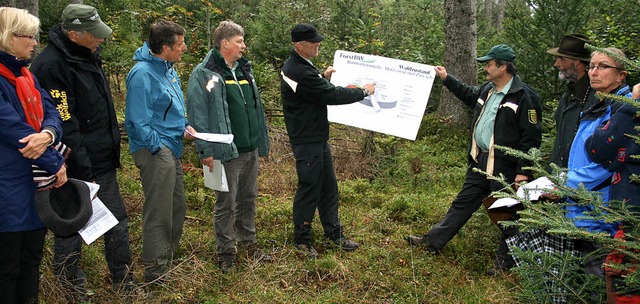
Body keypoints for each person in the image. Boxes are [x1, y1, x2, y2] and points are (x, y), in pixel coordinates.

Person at [30, 4, 136, 298]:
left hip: (102, 162)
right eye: (95, 34)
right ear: (75, 34)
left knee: (116, 223)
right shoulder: (52, 66)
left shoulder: (90, 56)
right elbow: (66, 122)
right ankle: (69, 287)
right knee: (72, 228)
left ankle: (124, 281)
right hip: (73, 167)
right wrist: (83, 169)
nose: (101, 39)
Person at [407, 44, 543, 274]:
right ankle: (432, 243)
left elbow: (531, 138)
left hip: (505, 168)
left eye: (489, 64)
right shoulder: (487, 90)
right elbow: (468, 95)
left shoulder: (525, 97)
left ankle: (507, 263)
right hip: (480, 162)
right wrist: (446, 78)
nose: (485, 69)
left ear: (503, 66)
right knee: (463, 203)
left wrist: (523, 171)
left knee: (506, 212)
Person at [280, 23, 376, 258]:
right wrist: (363, 92)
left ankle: (334, 234)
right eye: (313, 42)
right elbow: (330, 94)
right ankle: (302, 241)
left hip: (316, 137)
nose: (318, 44)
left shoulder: (302, 67)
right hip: (307, 139)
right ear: (300, 45)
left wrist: (322, 76)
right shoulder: (298, 70)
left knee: (328, 188)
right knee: (309, 188)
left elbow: (310, 91)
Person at [186, 20, 272, 273]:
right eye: (239, 41)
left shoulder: (245, 70)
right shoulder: (205, 74)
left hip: (250, 149)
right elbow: (198, 113)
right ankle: (225, 251)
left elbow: (256, 109)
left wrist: (260, 143)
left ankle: (248, 242)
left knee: (249, 198)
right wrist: (205, 150)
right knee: (226, 203)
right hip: (225, 152)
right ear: (225, 43)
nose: (243, 46)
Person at [0, 7, 67, 303]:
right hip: (8, 189)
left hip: (34, 186)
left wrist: (49, 134)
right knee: (8, 266)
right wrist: (56, 163)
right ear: (6, 37)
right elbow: (13, 129)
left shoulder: (26, 74)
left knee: (32, 261)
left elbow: (51, 111)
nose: (34, 42)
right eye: (27, 36)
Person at [125, 19, 196, 283]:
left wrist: (185, 126)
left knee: (177, 206)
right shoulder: (142, 73)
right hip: (154, 149)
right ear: (165, 47)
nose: (184, 48)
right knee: (159, 210)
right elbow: (136, 120)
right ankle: (155, 271)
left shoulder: (167, 69)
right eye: (180, 44)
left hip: (171, 145)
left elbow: (171, 107)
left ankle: (167, 259)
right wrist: (158, 146)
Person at [547, 33, 598, 168]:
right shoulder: (569, 93)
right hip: (559, 176)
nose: (556, 64)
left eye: (561, 59)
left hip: (580, 181)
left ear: (577, 63)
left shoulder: (596, 98)